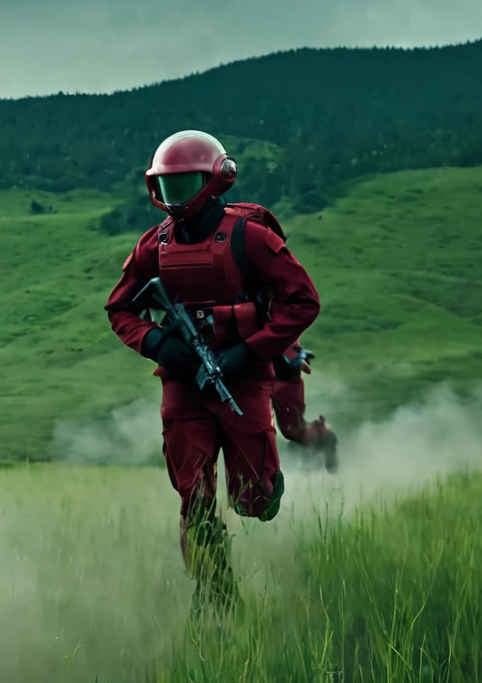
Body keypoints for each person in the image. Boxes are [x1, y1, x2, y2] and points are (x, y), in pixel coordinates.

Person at [104, 130, 320, 612]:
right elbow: (120, 310)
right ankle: (219, 599)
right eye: (167, 188)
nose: (174, 200)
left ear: (216, 180)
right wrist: (159, 343)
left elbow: (302, 301)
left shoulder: (251, 239)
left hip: (241, 379)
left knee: (254, 502)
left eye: (184, 186)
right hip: (184, 384)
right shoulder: (152, 246)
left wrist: (250, 351)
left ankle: (268, 485)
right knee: (195, 500)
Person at [271, 340, 338, 472]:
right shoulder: (294, 419)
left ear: (310, 444)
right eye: (321, 423)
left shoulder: (292, 423)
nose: (319, 421)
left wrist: (290, 358)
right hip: (281, 354)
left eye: (319, 428)